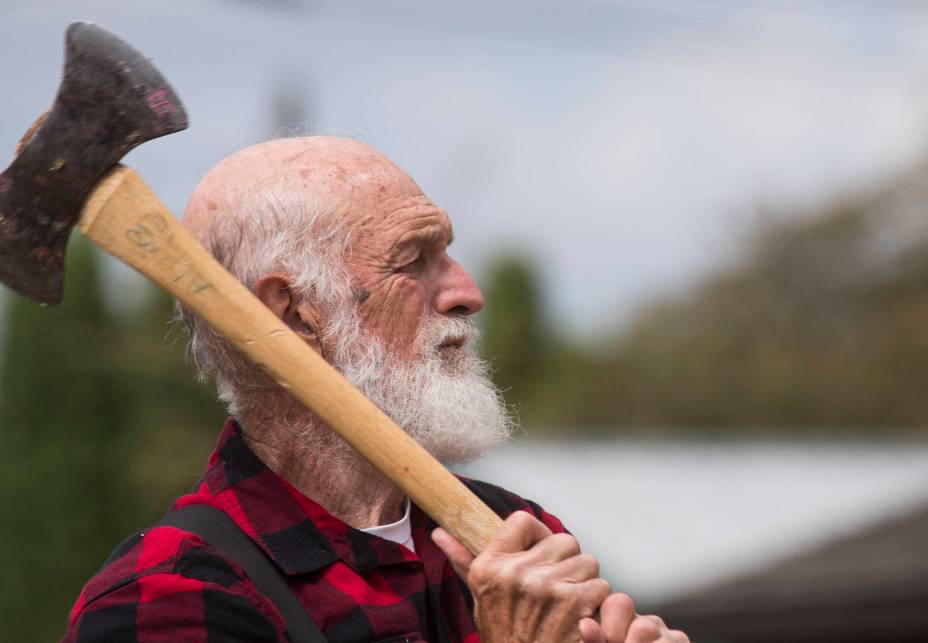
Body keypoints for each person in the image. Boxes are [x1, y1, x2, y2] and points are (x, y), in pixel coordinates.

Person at [63, 136, 688, 643]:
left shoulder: (509, 534)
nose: (468, 292)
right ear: (293, 311)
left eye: (447, 252)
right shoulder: (175, 596)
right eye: (413, 260)